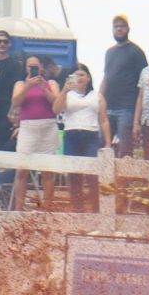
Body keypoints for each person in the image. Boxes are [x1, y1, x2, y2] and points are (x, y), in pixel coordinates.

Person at [10, 56, 60, 207]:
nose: (32, 69)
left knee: (47, 171)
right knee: (22, 170)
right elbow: (15, 102)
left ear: (41, 68)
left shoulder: (51, 83)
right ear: (25, 68)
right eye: (29, 66)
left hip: (48, 127)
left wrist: (43, 88)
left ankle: (47, 208)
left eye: (35, 67)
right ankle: (18, 208)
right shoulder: (20, 84)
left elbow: (56, 103)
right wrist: (28, 86)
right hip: (28, 128)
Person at [57, 65, 104, 210]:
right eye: (76, 75)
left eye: (82, 74)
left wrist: (108, 142)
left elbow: (104, 120)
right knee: (74, 174)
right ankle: (78, 208)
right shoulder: (68, 95)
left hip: (91, 135)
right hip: (72, 134)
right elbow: (56, 109)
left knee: (92, 174)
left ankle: (96, 207)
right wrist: (64, 90)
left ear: (88, 78)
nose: (79, 78)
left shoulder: (97, 95)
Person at [101, 15, 144, 154]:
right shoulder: (109, 52)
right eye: (116, 26)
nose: (119, 29)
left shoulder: (136, 51)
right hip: (107, 108)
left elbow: (142, 85)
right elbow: (106, 78)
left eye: (122, 26)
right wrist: (99, 100)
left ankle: (126, 177)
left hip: (126, 109)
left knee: (125, 151)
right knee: (103, 148)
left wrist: (137, 119)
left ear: (128, 29)